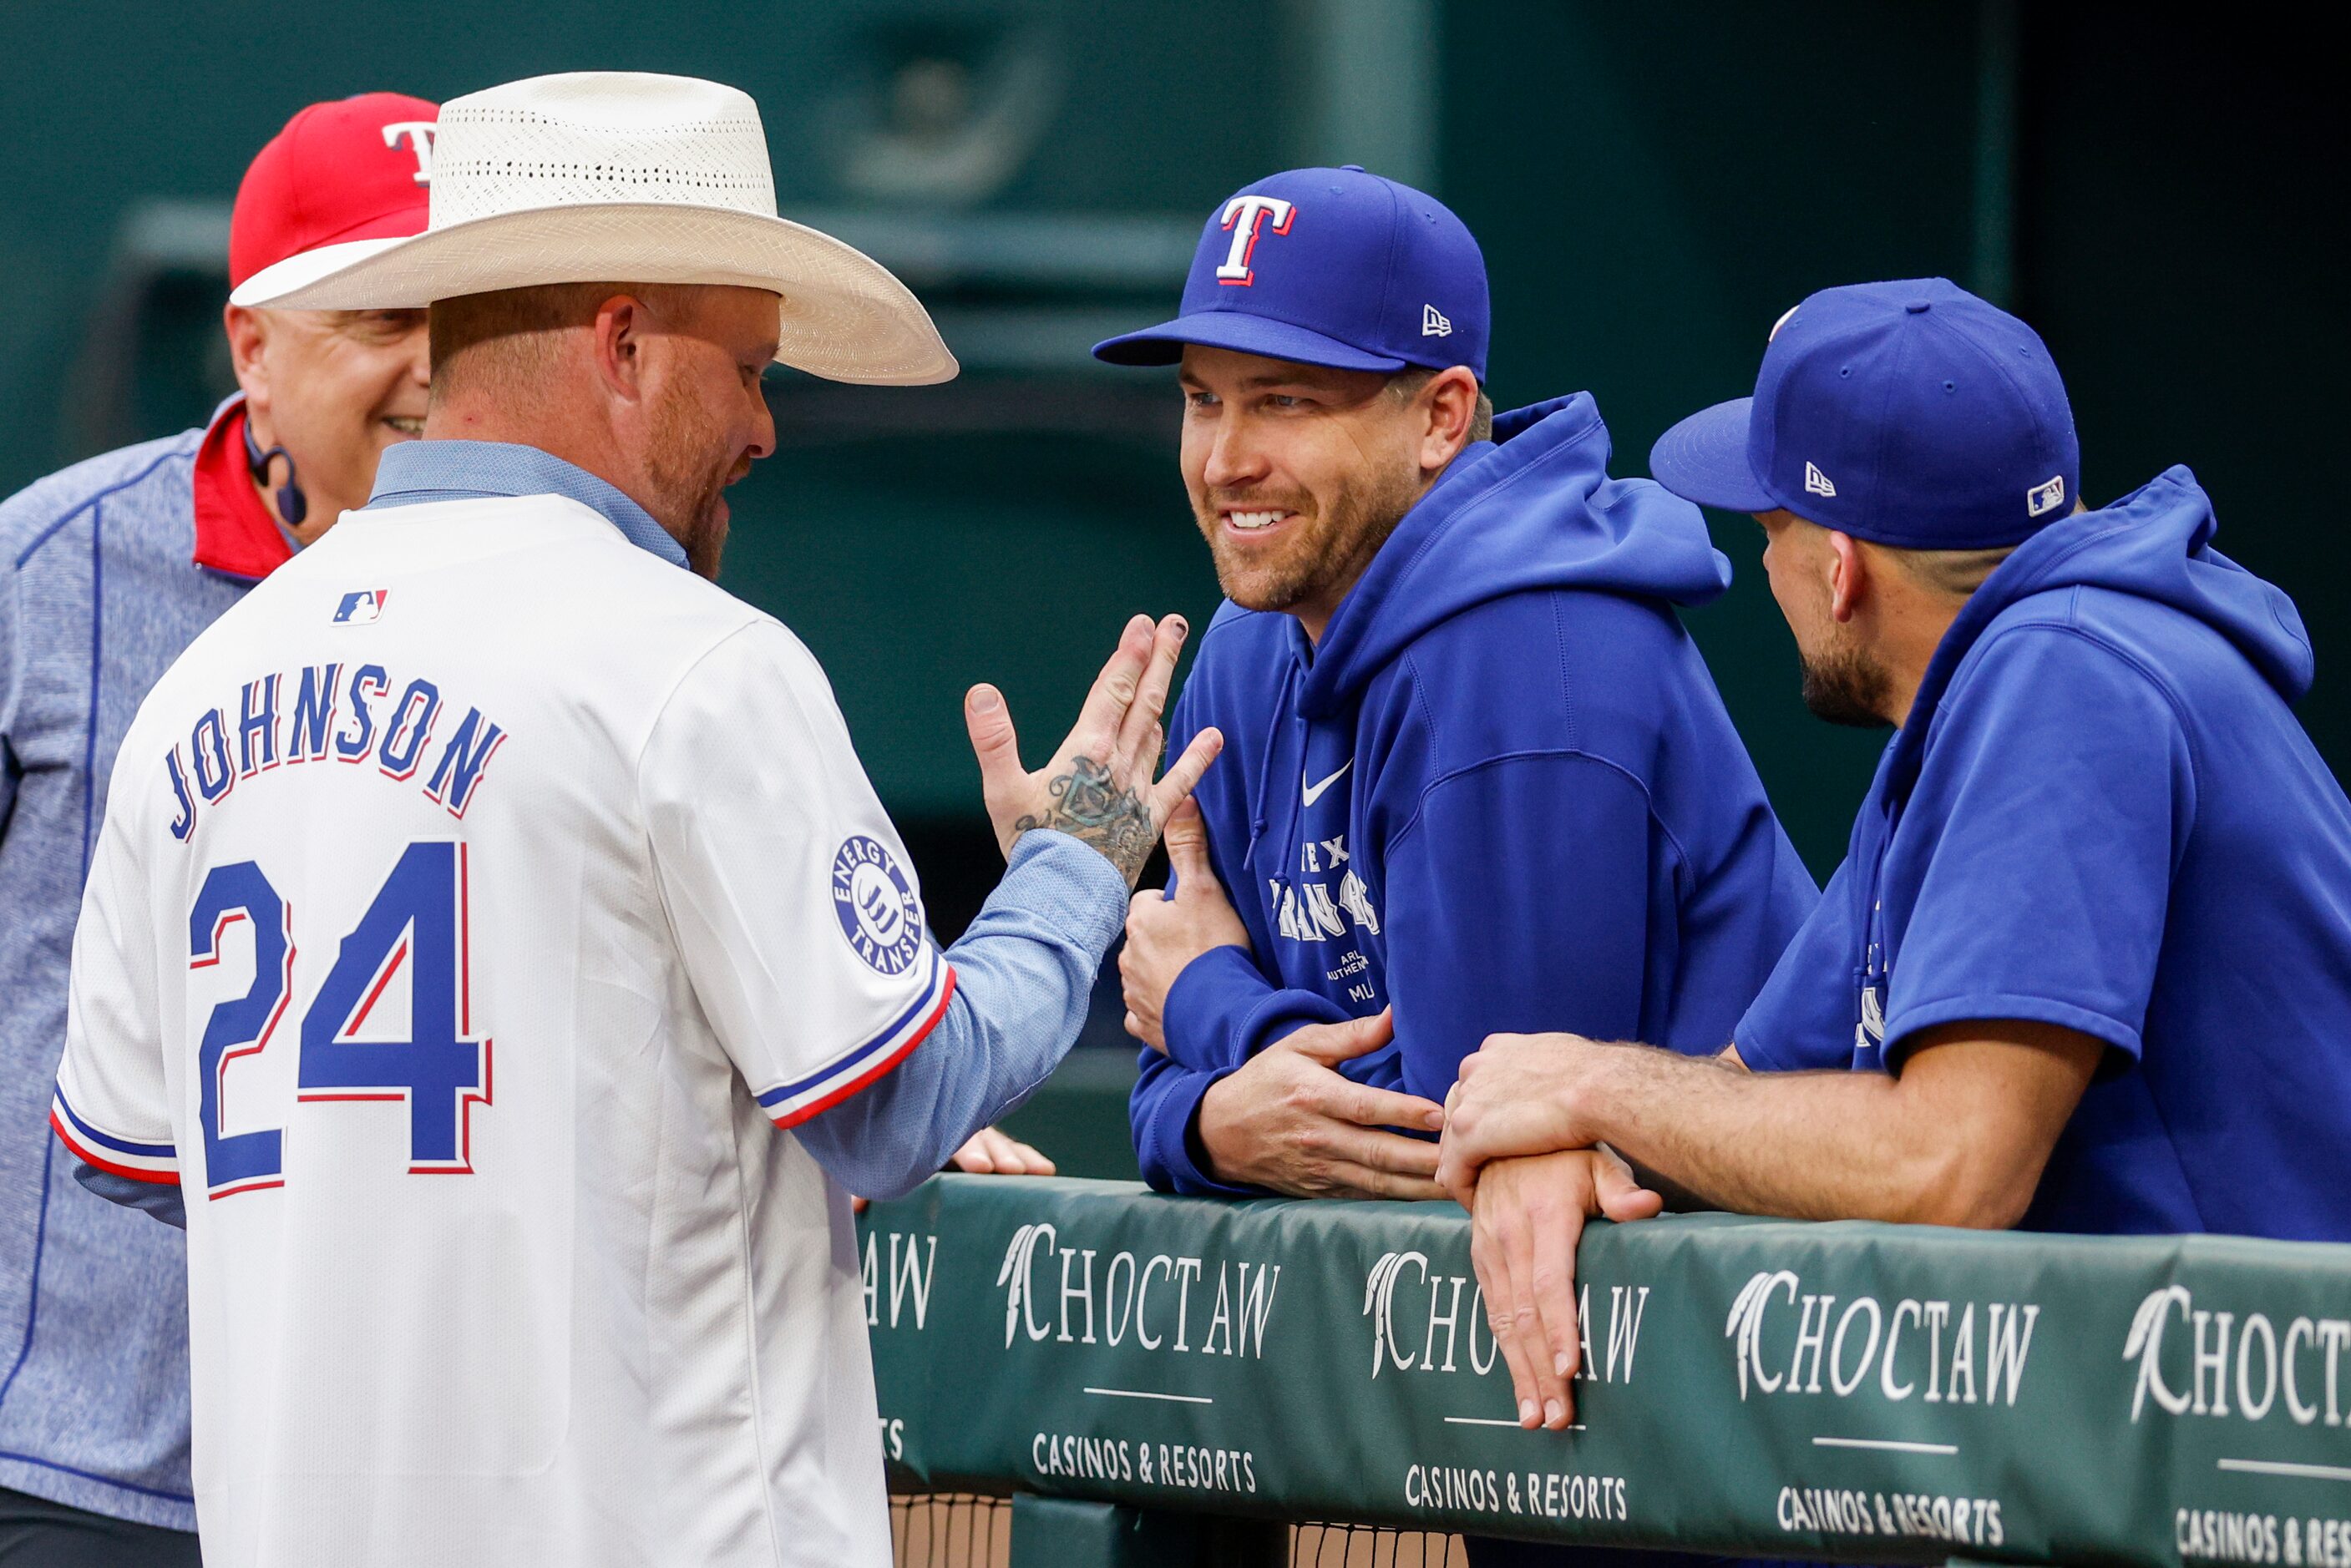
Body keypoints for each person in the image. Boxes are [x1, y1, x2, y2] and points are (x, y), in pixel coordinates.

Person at [50, 72, 1218, 1568]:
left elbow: (136, 1161)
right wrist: (1075, 864)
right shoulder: (691, 659)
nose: (767, 428)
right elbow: (896, 1099)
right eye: (749, 368)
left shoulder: (201, 684)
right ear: (622, 344)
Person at [1437, 277, 2351, 1433]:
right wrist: (1565, 1140)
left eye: (1766, 531)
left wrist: (1583, 1082)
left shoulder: (2065, 673)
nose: (1762, 568)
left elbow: (1948, 1166)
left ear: (1836, 569)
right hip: (2199, 1442)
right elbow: (1752, 1088)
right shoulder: (1980, 699)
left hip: (2281, 1458)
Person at [1098, 167, 1816, 1206]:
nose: (1224, 460)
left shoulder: (1536, 659)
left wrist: (1213, 1009)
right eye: (1202, 401)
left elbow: (1475, 1146)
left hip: (1719, 1314)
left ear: (1440, 417)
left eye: (1284, 402)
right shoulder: (1249, 643)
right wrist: (1208, 1121)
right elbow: (1167, 1088)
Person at [0, 90, 439, 1565]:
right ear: (251, 343)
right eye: (383, 316)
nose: (434, 370)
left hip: (409, 1468)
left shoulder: (565, 615)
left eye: (469, 316)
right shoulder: (51, 569)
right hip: (84, 1460)